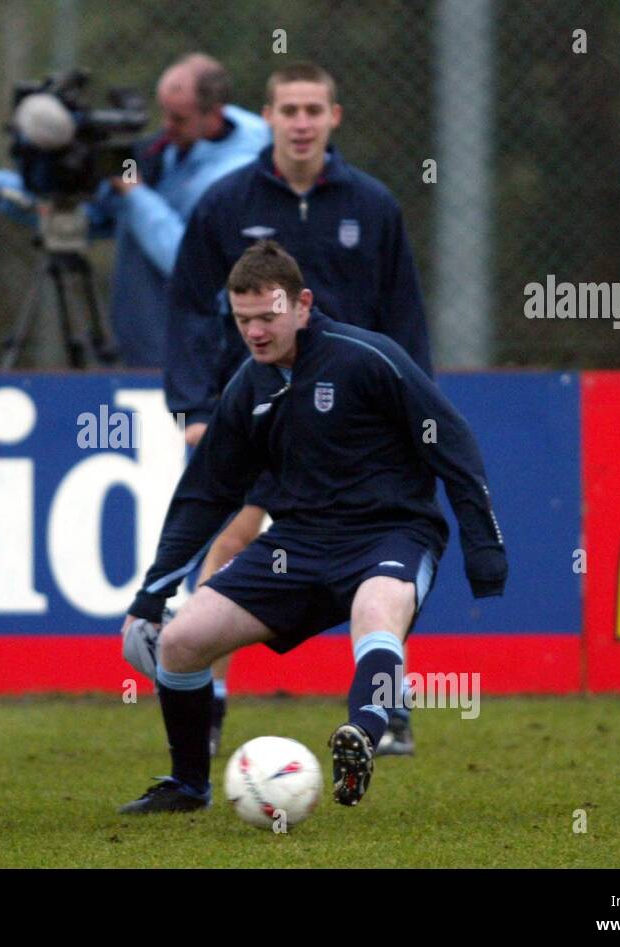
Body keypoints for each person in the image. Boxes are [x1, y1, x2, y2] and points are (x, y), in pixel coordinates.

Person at [119, 241, 506, 814]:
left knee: (377, 612)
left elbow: (451, 442)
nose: (254, 331)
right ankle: (187, 784)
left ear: (302, 305)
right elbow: (205, 495)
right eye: (243, 319)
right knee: (179, 641)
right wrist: (152, 593)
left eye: (267, 316)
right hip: (296, 547)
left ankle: (363, 738)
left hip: (392, 534)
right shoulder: (247, 388)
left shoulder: (368, 358)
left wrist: (484, 546)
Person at [166, 62, 432, 756]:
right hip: (260, 416)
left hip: (358, 425)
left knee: (376, 556)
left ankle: (385, 706)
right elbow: (192, 308)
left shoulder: (372, 205)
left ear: (334, 117)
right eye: (290, 109)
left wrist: (417, 413)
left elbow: (403, 316)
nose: (303, 121)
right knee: (230, 541)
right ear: (269, 116)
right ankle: (211, 696)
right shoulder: (225, 201)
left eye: (315, 108)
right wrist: (195, 406)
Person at [0, 52, 269, 367]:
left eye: (179, 118)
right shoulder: (173, 148)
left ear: (214, 115)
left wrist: (134, 192)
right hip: (150, 341)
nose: (166, 126)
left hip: (203, 353)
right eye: (163, 112)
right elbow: (89, 217)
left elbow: (185, 259)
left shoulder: (242, 172)